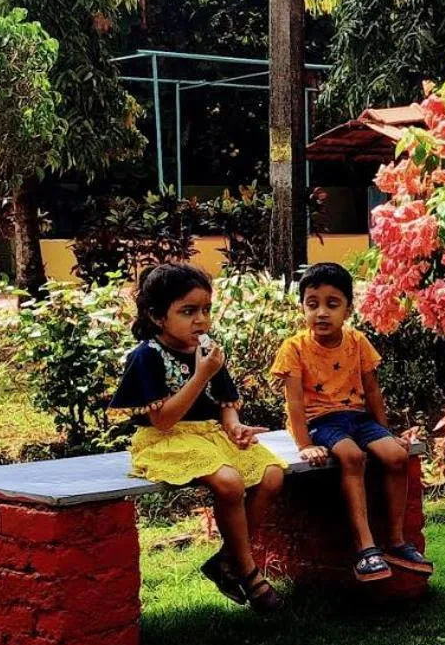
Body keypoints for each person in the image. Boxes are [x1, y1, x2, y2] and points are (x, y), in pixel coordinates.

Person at [113, 264, 286, 611]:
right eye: (188, 311)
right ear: (158, 316)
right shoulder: (146, 356)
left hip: (210, 436)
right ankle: (249, 571)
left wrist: (234, 424)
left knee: (272, 473)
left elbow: (225, 404)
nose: (201, 320)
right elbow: (162, 420)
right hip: (166, 440)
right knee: (230, 483)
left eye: (206, 309)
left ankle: (226, 560)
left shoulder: (208, 352)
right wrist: (201, 374)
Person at [274, 262, 425, 583]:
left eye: (332, 304)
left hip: (358, 419)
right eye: (312, 304)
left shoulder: (357, 342)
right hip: (322, 422)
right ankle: (365, 547)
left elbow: (372, 390)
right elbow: (295, 402)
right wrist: (305, 445)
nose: (322, 313)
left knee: (397, 456)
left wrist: (386, 431)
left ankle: (396, 542)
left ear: (348, 309)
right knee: (352, 457)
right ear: (302, 307)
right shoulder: (294, 348)